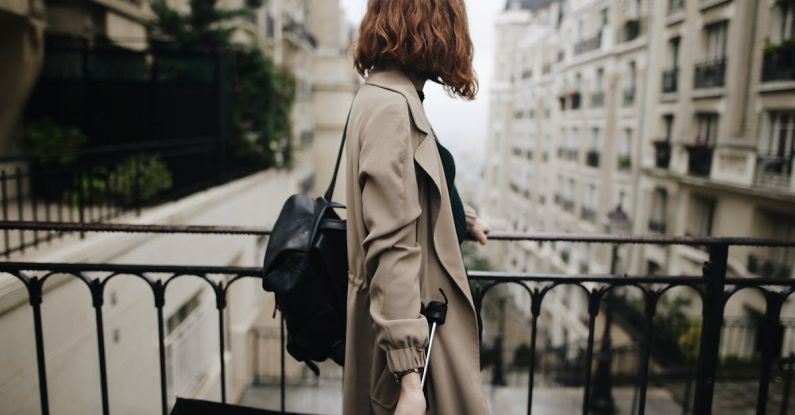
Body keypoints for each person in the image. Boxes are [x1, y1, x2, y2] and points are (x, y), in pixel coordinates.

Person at [342, 1, 492, 414]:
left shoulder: (383, 91)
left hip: (408, 323)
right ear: (438, 25)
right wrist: (409, 376)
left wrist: (465, 221)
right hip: (417, 333)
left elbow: (416, 185)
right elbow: (392, 243)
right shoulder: (393, 106)